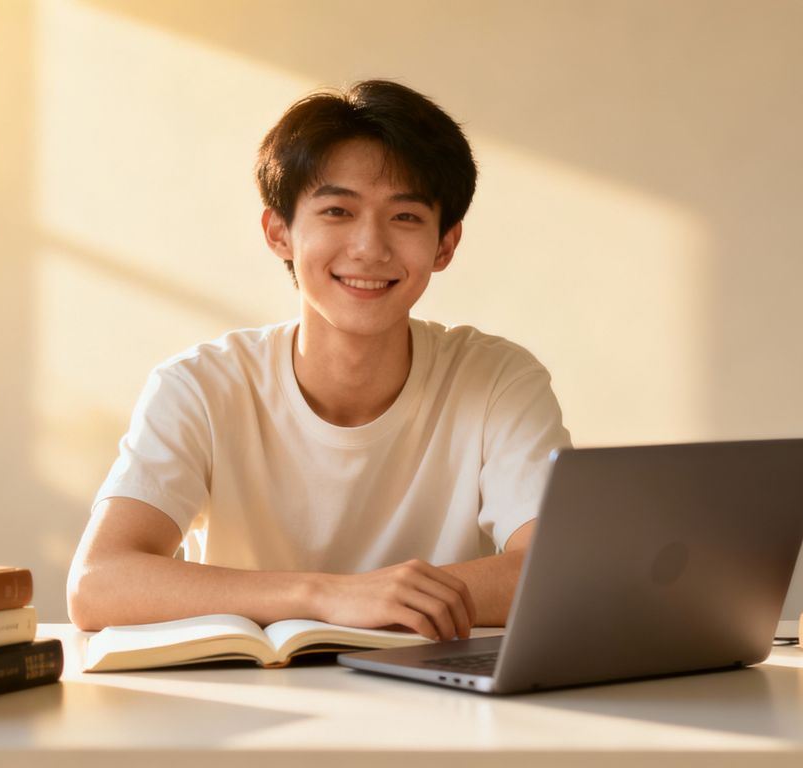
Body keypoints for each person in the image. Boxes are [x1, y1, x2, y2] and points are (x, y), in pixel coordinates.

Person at [68, 80, 571, 641]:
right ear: (278, 232)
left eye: (405, 217)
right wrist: (327, 595)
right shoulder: (200, 386)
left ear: (445, 245)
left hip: (438, 705)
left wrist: (382, 599)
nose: (370, 248)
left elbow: (560, 571)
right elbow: (97, 583)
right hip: (248, 704)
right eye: (337, 210)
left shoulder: (499, 378)